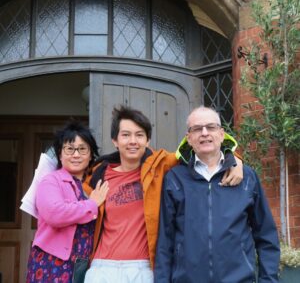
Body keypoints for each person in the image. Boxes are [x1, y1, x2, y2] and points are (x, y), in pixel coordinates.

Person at [83, 105, 244, 283]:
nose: (133, 141)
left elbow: (204, 149)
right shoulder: (98, 174)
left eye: (139, 135)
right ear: (115, 140)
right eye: (126, 135)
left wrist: (235, 159)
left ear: (148, 140)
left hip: (142, 268)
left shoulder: (160, 165)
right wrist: (89, 204)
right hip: (102, 268)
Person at [154, 106, 280, 283]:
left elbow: (266, 236)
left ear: (221, 134)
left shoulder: (247, 177)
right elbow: (165, 243)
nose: (204, 133)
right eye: (197, 129)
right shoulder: (175, 179)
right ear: (188, 138)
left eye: (211, 127)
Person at [26, 120, 109, 283]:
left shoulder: (91, 185)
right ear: (60, 153)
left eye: (82, 149)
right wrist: (92, 204)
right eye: (70, 149)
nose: (76, 155)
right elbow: (54, 213)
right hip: (51, 262)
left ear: (91, 154)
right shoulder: (50, 181)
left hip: (84, 264)